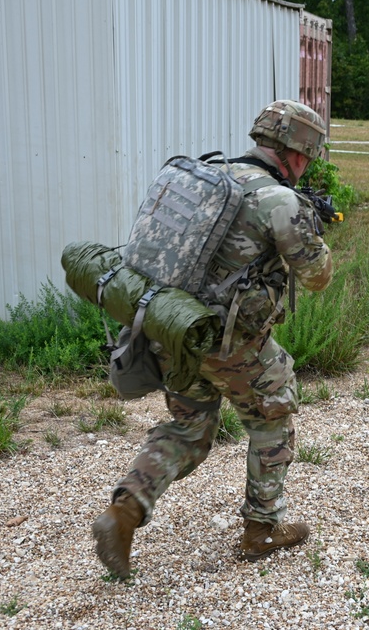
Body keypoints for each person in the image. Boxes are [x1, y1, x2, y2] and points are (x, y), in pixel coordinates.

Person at [92, 100, 334, 577]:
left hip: (171, 326)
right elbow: (317, 278)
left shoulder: (209, 175)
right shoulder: (280, 200)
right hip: (227, 341)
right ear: (299, 153)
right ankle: (262, 529)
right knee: (275, 406)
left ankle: (125, 510)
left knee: (189, 428)